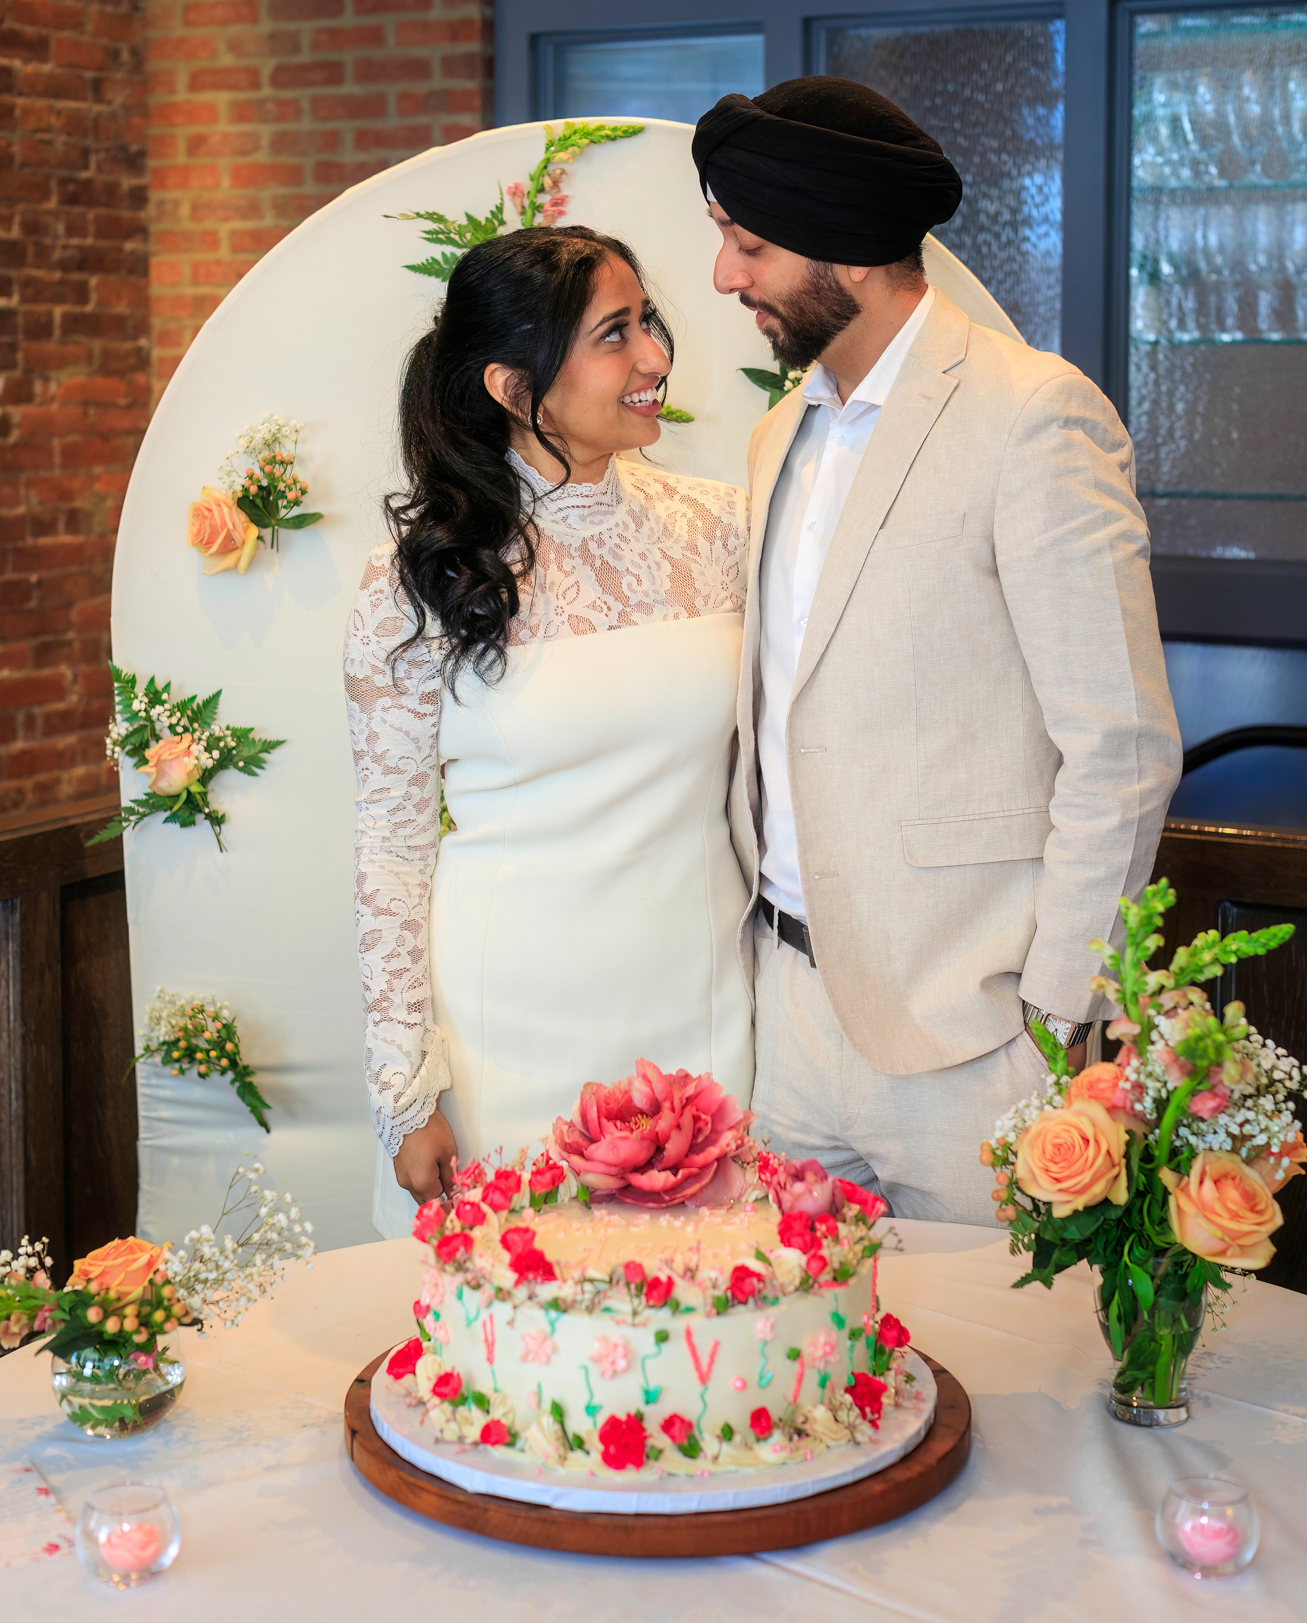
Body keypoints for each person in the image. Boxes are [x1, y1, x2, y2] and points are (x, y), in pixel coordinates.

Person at [693, 76, 1183, 1227]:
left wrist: (1058, 1007)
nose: (724, 276)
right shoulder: (778, 433)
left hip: (975, 1031)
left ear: (851, 250)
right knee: (802, 1339)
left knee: (993, 1342)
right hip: (787, 1014)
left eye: (750, 244)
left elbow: (1120, 742)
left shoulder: (1033, 414)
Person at [344, 224, 753, 1218]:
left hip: (701, 1007)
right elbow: (392, 846)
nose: (654, 357)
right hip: (507, 1027)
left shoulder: (724, 529)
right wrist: (405, 1090)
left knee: (709, 1303)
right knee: (521, 1305)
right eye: (615, 334)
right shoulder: (413, 584)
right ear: (511, 385)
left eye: (647, 322)